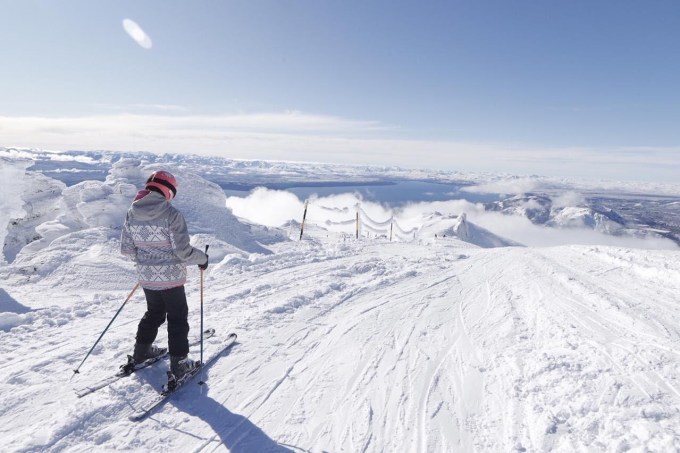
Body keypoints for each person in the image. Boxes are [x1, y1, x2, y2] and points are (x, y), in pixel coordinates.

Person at [120, 170, 209, 379]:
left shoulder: (131, 213)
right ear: (168, 191)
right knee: (177, 318)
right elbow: (183, 252)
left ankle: (141, 353)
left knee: (154, 313)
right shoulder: (172, 214)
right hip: (171, 278)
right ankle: (179, 364)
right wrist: (203, 259)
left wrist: (147, 260)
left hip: (146, 276)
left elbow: (127, 249)